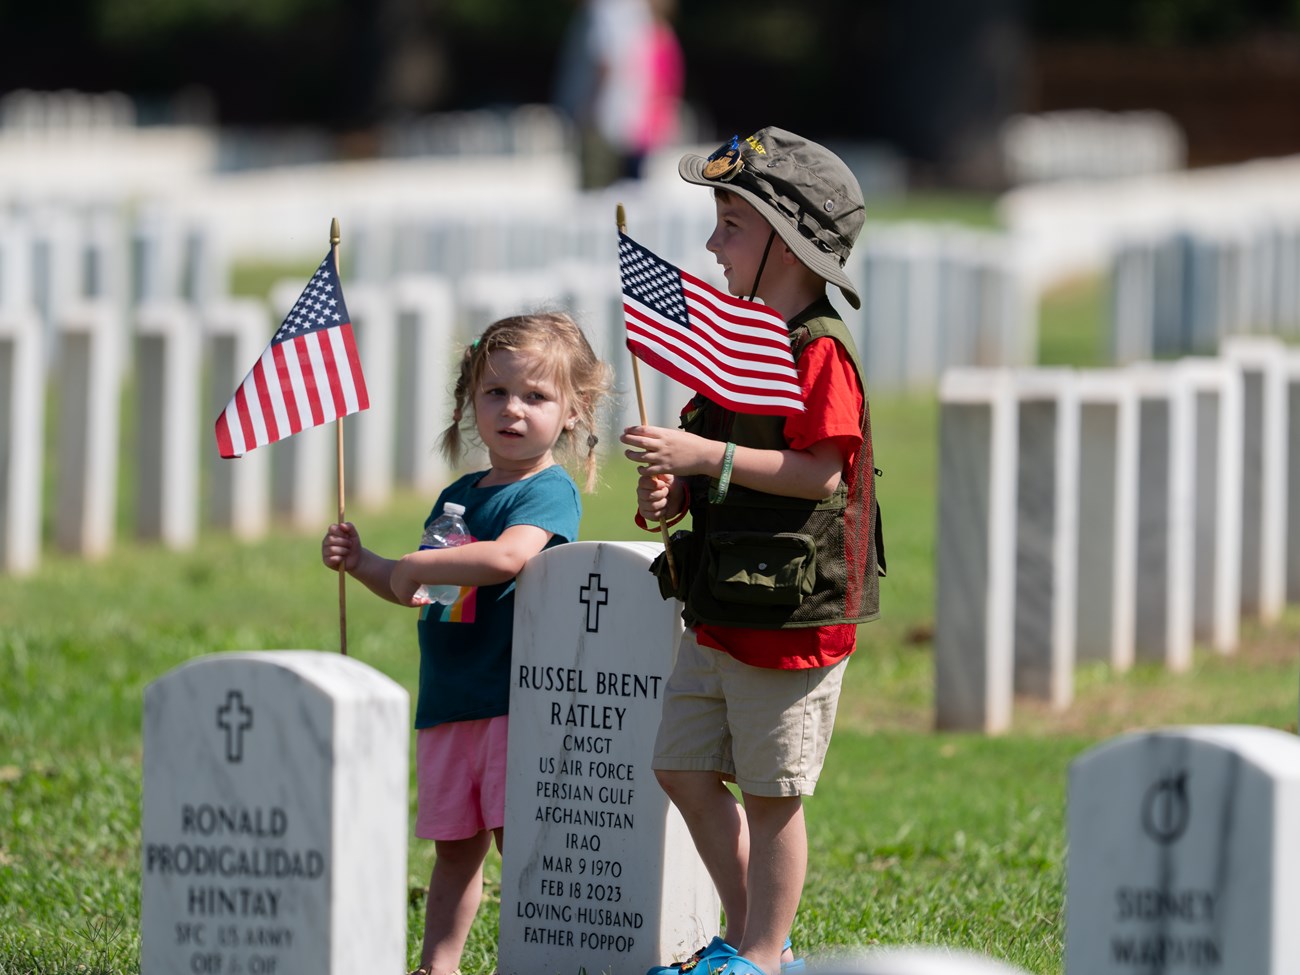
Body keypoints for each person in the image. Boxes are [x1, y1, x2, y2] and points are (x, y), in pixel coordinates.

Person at [620, 127, 884, 975]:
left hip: (792, 612)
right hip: (724, 604)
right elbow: (713, 454)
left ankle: (763, 955)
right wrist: (677, 488)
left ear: (788, 239)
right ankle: (753, 937)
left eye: (729, 222)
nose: (710, 243)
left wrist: (710, 459)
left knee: (773, 794)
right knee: (681, 764)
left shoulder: (817, 348)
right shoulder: (736, 345)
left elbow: (819, 472)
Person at [321, 312, 613, 975]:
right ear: (467, 403)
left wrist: (418, 565)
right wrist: (364, 561)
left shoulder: (547, 491)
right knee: (454, 847)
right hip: (449, 701)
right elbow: (415, 589)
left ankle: (549, 957)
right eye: (495, 393)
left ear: (572, 411)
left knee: (522, 841)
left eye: (535, 396)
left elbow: (509, 558)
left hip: (511, 698)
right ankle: (438, 964)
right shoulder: (457, 496)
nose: (512, 410)